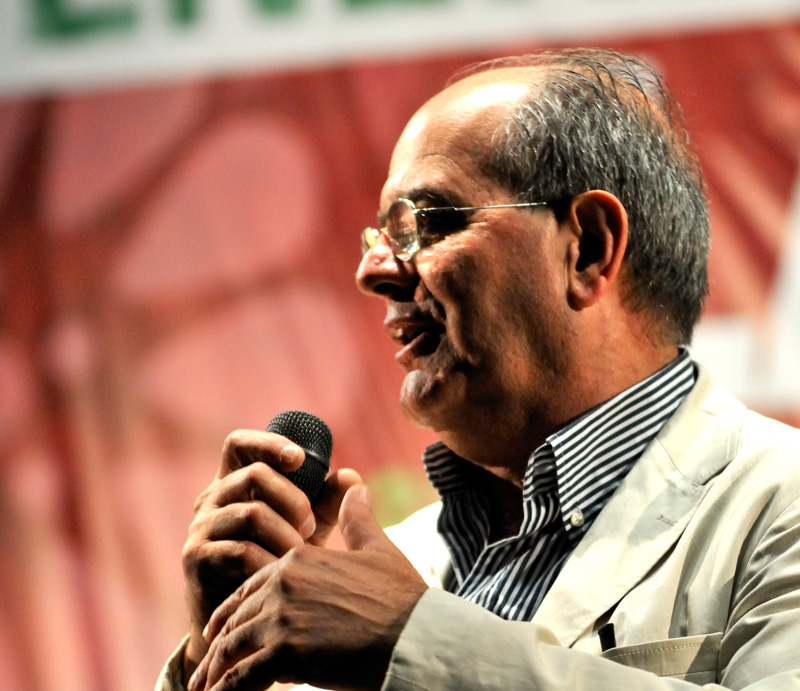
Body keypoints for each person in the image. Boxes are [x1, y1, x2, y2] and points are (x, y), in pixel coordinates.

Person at [157, 48, 800, 691]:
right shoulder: (392, 567)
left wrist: (413, 642)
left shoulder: (778, 503)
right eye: (378, 236)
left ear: (587, 248)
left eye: (426, 223)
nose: (372, 271)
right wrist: (215, 654)